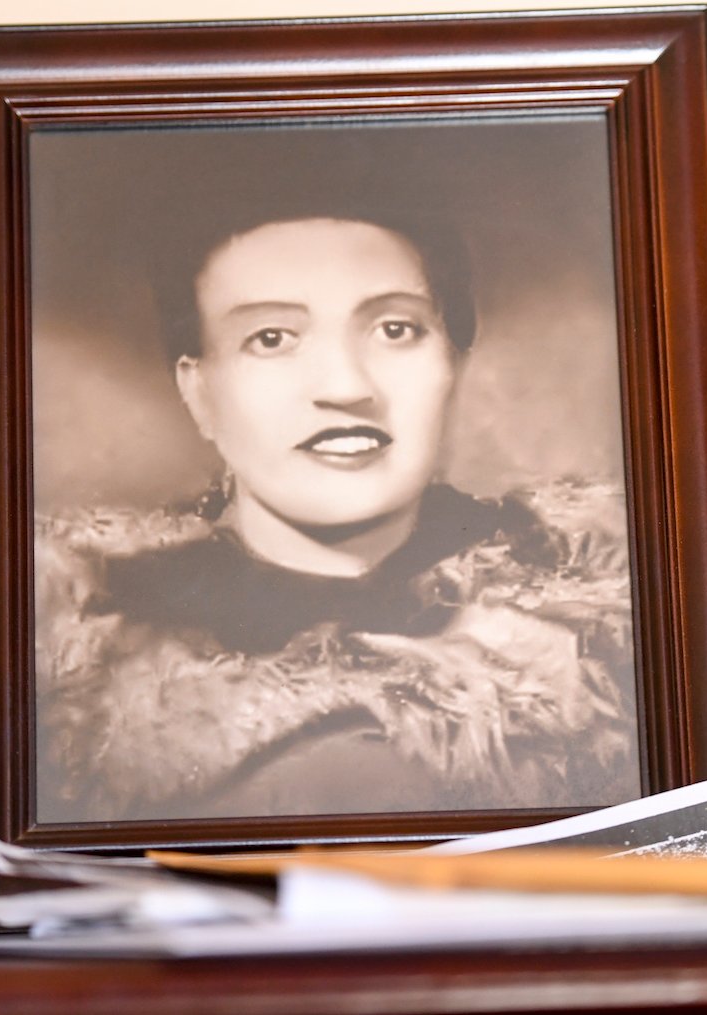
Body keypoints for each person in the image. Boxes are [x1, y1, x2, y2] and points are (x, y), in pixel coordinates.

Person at [35, 201, 637, 824]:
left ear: (453, 363)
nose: (347, 386)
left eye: (395, 329)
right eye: (271, 339)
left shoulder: (607, 631)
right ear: (199, 392)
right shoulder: (78, 664)